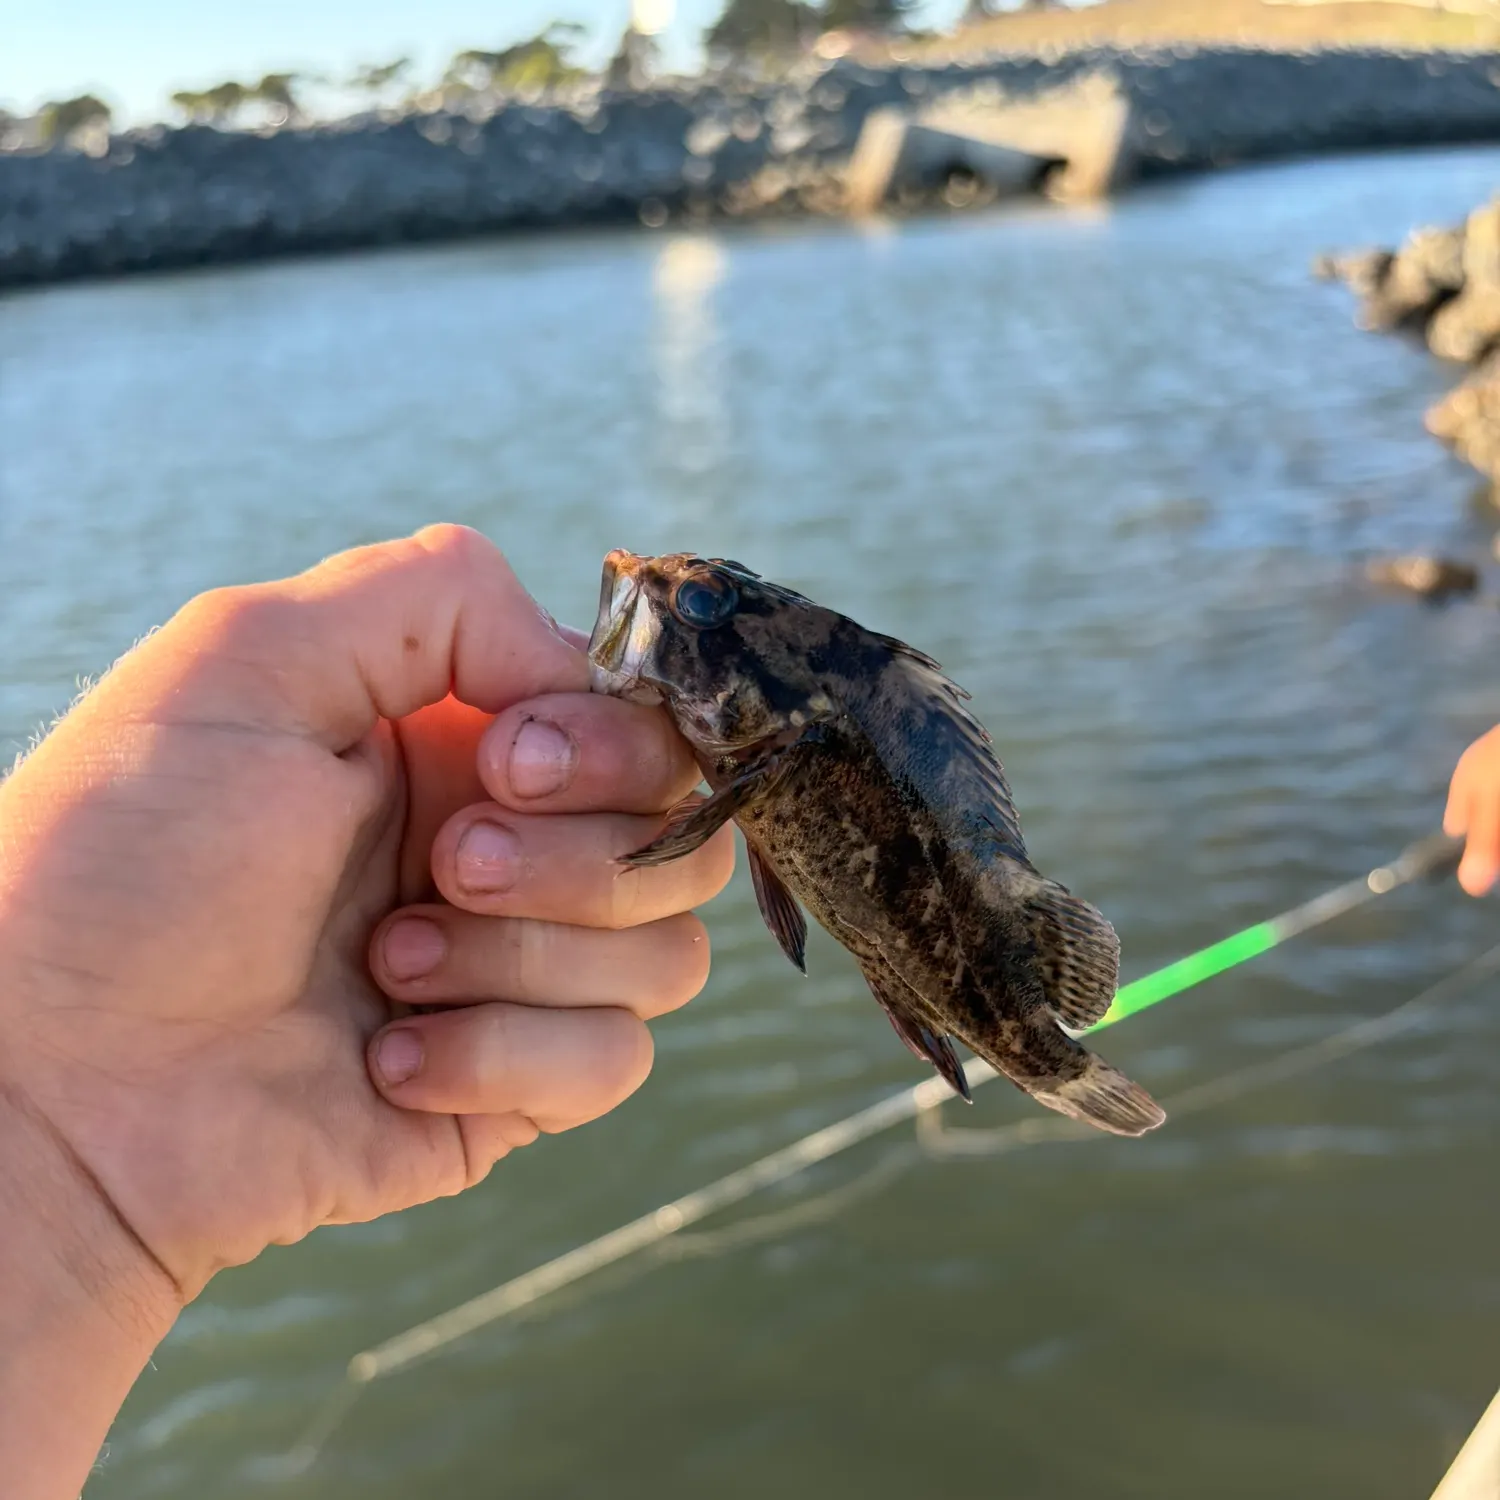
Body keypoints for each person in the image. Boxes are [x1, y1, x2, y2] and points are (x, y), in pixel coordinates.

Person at [0, 526, 1493, 1500]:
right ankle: (1033, 1051)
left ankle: (1033, 1045)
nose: (650, 592)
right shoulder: (769, 743)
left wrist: (67, 1148)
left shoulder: (782, 749)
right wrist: (61, 1128)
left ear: (769, 684)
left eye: (702, 605)